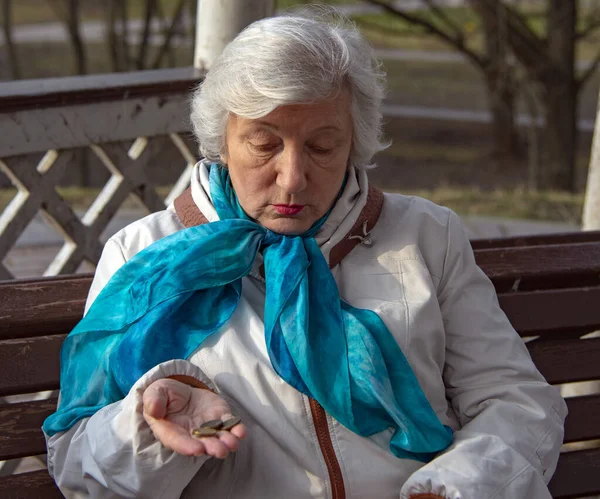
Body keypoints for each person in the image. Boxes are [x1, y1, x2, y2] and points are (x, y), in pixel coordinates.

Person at [43, 13, 567, 499]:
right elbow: (74, 463)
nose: (292, 178)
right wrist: (149, 429)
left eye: (321, 147)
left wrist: (451, 488)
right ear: (221, 140)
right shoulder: (141, 255)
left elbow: (516, 401)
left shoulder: (428, 236)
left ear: (354, 142)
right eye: (264, 144)